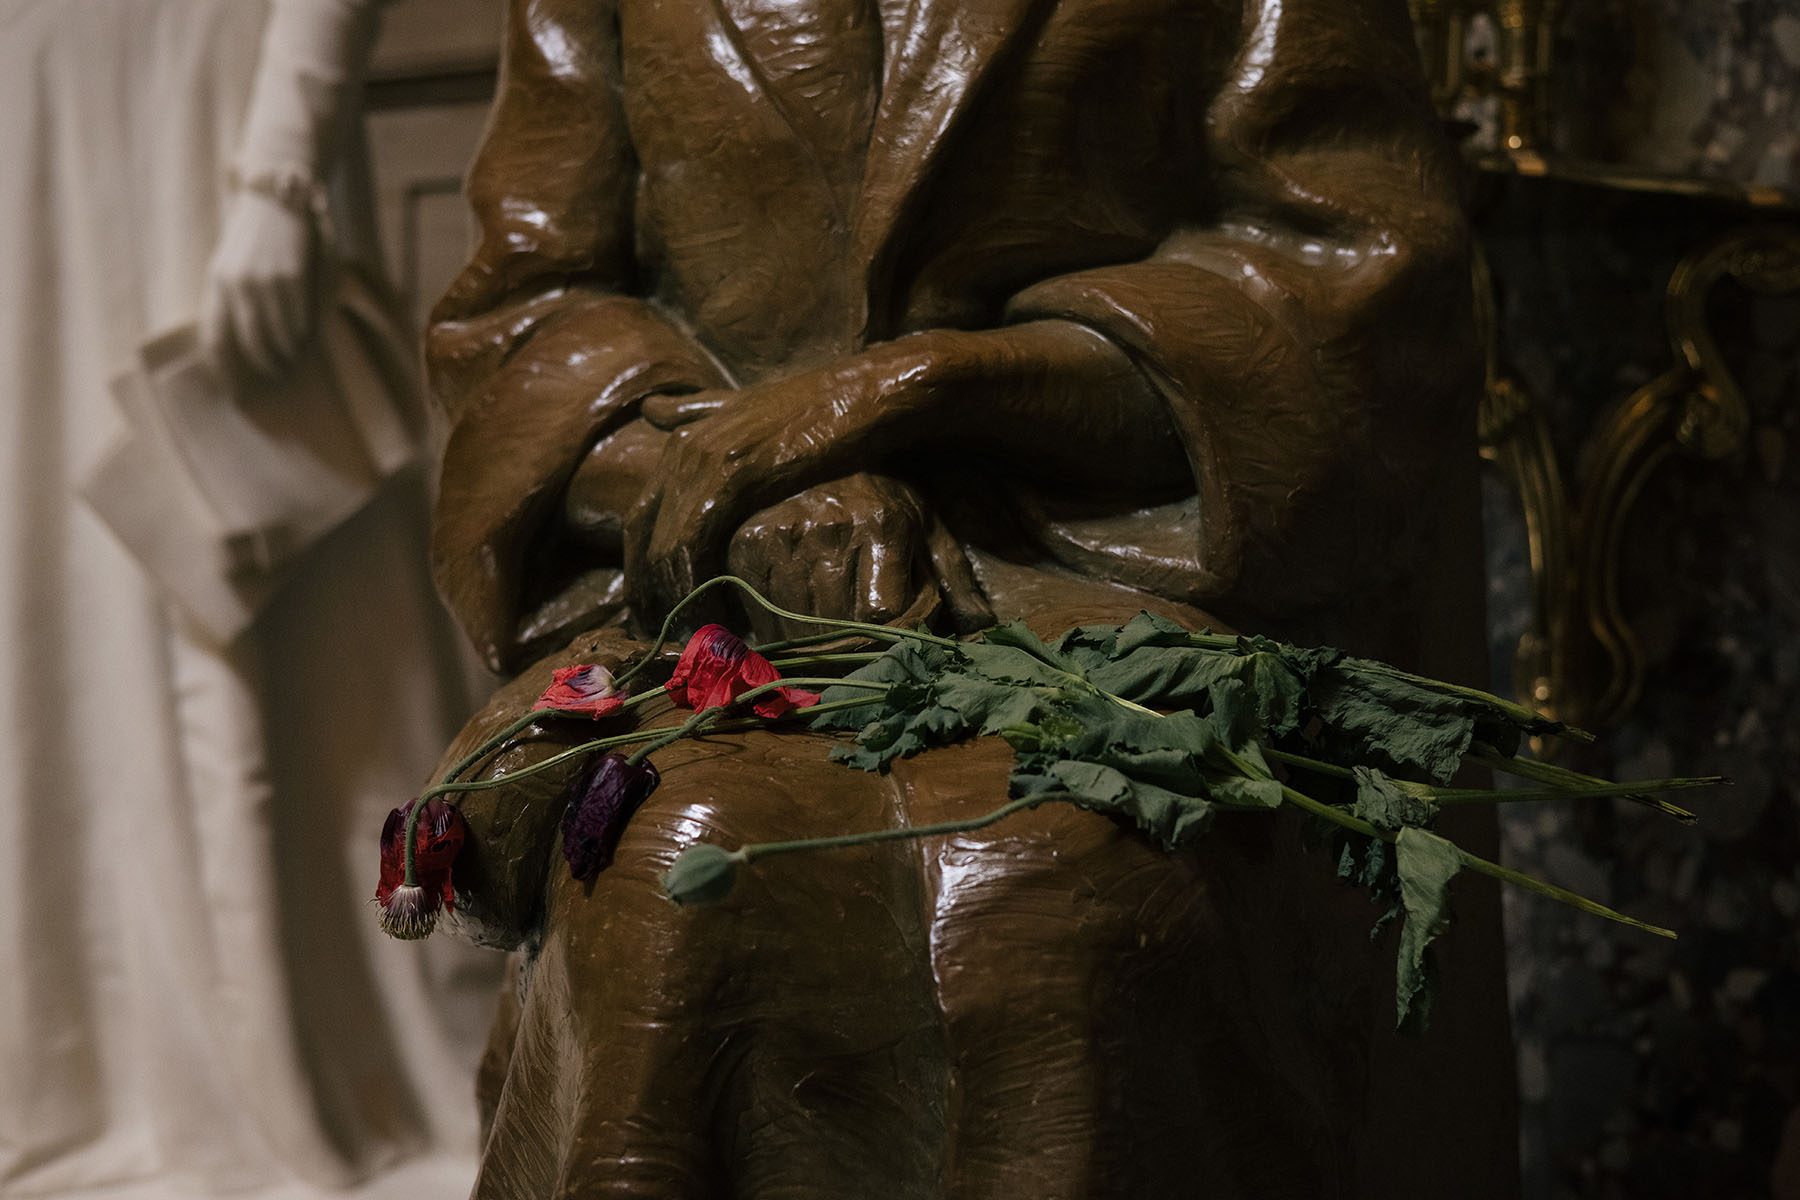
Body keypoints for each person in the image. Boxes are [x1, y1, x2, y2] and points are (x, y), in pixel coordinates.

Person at [427, 0, 1521, 1194]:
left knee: (1061, 899)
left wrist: (926, 387)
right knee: (676, 881)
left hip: (1120, 577)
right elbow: (525, 319)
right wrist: (721, 481)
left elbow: (1349, 290)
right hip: (736, 611)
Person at [0, 1, 496, 1194]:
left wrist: (282, 163)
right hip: (34, 98)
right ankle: (89, 1053)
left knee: (264, 550)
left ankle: (310, 1041)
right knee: (55, 584)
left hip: (206, 93)